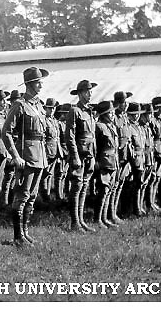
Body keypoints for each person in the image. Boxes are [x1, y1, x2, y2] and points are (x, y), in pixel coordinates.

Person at [1, 67, 49, 246]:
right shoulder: (20, 105)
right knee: (22, 195)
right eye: (38, 82)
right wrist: (15, 156)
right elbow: (6, 131)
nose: (41, 85)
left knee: (32, 196)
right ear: (29, 84)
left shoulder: (38, 105)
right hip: (26, 156)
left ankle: (25, 232)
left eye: (41, 82)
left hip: (40, 155)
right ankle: (17, 236)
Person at [65, 80, 97, 232]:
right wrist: (75, 156)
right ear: (80, 94)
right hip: (79, 155)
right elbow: (69, 136)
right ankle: (74, 222)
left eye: (90, 91)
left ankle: (81, 220)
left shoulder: (89, 112)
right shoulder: (74, 111)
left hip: (89, 154)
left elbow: (92, 136)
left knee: (84, 186)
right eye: (87, 91)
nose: (90, 94)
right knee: (76, 187)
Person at [93, 100, 119, 228]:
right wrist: (96, 161)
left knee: (109, 191)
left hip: (112, 161)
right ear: (104, 114)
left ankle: (104, 218)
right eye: (110, 112)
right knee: (103, 190)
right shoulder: (98, 126)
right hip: (103, 161)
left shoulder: (111, 126)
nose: (113, 114)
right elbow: (94, 146)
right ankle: (97, 219)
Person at [110, 91, 133, 224]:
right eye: (124, 102)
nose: (126, 104)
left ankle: (114, 212)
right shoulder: (114, 117)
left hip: (125, 155)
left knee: (120, 184)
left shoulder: (124, 117)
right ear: (119, 103)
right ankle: (110, 213)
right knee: (113, 185)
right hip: (117, 155)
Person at [40, 98, 62, 201]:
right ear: (46, 108)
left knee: (50, 174)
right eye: (50, 108)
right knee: (44, 174)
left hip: (55, 152)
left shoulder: (55, 121)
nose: (52, 110)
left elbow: (57, 138)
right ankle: (44, 196)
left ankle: (47, 195)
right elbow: (43, 137)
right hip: (47, 151)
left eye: (53, 108)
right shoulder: (43, 120)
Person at [126, 102, 146, 216]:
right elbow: (130, 145)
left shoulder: (138, 127)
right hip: (134, 160)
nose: (137, 116)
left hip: (140, 159)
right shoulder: (129, 127)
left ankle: (137, 208)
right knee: (131, 185)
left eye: (138, 114)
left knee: (139, 184)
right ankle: (128, 210)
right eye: (134, 114)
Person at [149, 96, 161, 210]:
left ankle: (153, 201)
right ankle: (149, 202)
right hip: (155, 151)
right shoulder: (152, 120)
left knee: (157, 177)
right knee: (152, 177)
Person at [139, 104, 157, 211]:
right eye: (150, 114)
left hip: (150, 158)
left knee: (146, 183)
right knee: (141, 183)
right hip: (144, 159)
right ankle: (138, 207)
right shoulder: (140, 127)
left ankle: (143, 205)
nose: (151, 116)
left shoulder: (147, 127)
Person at [54, 103, 71, 201]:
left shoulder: (69, 124)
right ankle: (58, 196)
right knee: (59, 175)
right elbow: (58, 140)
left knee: (67, 174)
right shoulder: (59, 124)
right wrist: (60, 153)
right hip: (62, 152)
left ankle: (66, 194)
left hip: (69, 152)